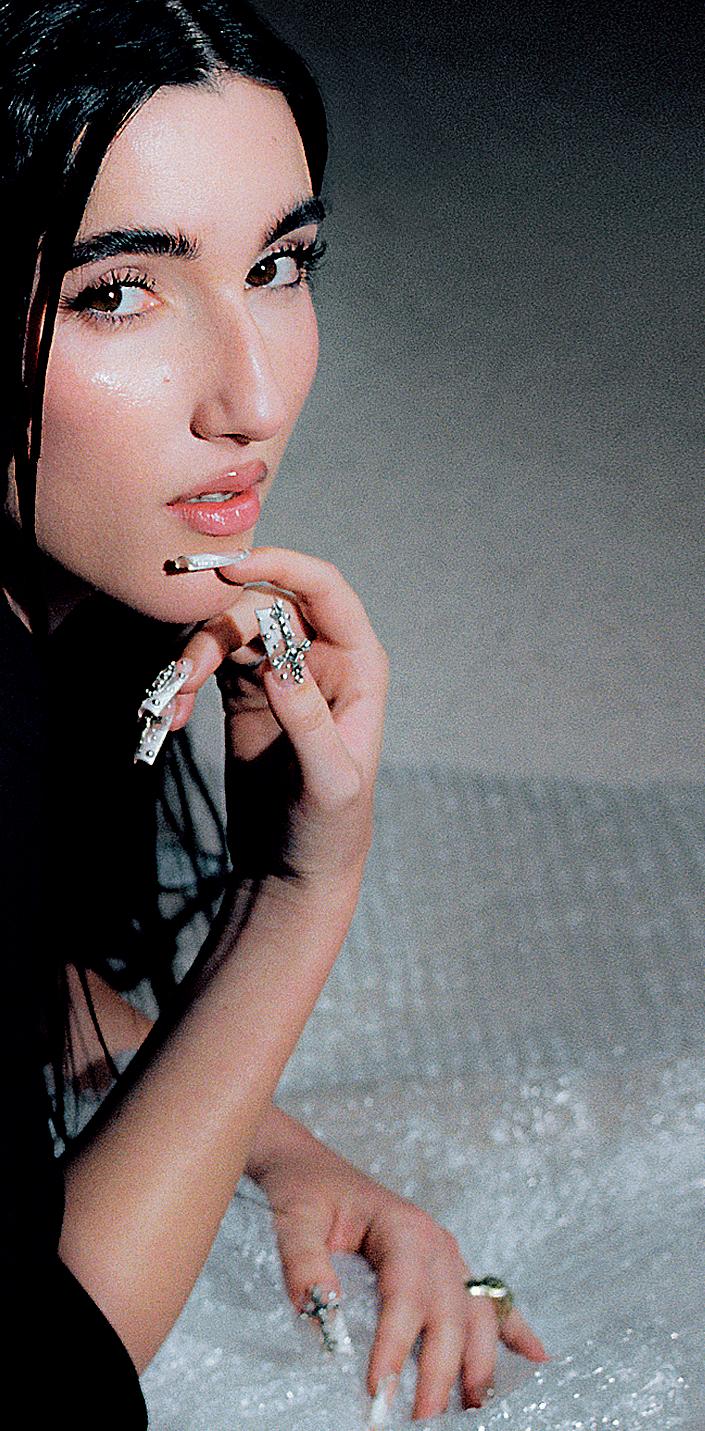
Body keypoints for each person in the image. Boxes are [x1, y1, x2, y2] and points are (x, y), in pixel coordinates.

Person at [0, 1, 549, 1423]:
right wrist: (295, 899)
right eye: (117, 292)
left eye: (278, 266)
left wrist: (282, 1150)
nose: (249, 397)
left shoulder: (65, 605)